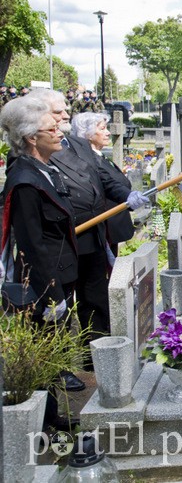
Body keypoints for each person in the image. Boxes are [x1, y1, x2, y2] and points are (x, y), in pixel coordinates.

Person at [35, 89, 146, 348]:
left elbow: (103, 177)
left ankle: (94, 354)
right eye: (57, 111)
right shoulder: (34, 150)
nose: (65, 114)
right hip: (63, 239)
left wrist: (127, 195)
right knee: (58, 305)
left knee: (95, 300)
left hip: (94, 236)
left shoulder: (79, 144)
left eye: (64, 109)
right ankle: (57, 370)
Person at [0, 95, 85, 420]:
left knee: (51, 355)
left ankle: (51, 417)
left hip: (58, 279)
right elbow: (33, 245)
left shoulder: (42, 170)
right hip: (43, 287)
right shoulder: (24, 181)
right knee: (43, 356)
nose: (60, 131)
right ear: (31, 138)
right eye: (52, 129)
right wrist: (52, 297)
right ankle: (45, 423)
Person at [72, 112, 136, 255]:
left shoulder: (99, 156)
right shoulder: (89, 159)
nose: (107, 133)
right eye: (102, 129)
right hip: (105, 228)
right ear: (87, 134)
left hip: (113, 228)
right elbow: (107, 183)